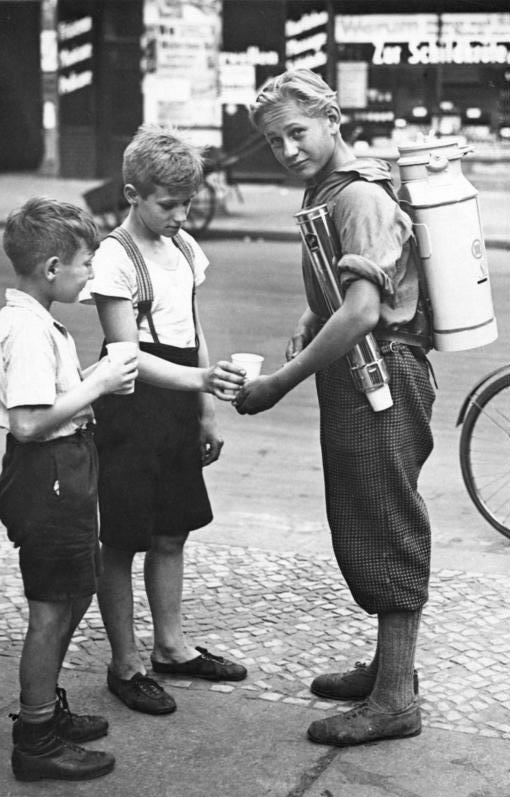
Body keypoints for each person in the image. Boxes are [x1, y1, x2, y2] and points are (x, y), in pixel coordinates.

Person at [236, 69, 435, 747]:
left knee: (385, 518)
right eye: (273, 141)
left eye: (298, 132)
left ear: (332, 119)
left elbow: (361, 310)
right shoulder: (331, 190)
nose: (287, 149)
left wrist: (279, 382)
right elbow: (342, 288)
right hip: (361, 374)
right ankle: (392, 670)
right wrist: (308, 309)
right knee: (365, 511)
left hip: (382, 374)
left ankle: (393, 701)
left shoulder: (360, 197)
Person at [81, 123, 247, 717]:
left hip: (177, 399)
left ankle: (172, 647)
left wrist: (204, 408)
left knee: (171, 529)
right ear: (131, 194)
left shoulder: (181, 248)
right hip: (128, 403)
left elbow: (193, 327)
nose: (181, 214)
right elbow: (126, 355)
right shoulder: (113, 258)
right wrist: (199, 382)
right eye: (169, 204)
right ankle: (125, 663)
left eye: (188, 203)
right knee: (123, 536)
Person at [0, 197, 138, 781]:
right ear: (51, 268)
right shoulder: (26, 330)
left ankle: (43, 706)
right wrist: (98, 383)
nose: (91, 276)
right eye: (85, 265)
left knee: (74, 591)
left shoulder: (36, 319)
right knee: (52, 607)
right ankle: (37, 738)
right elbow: (27, 421)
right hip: (46, 471)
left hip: (63, 467)